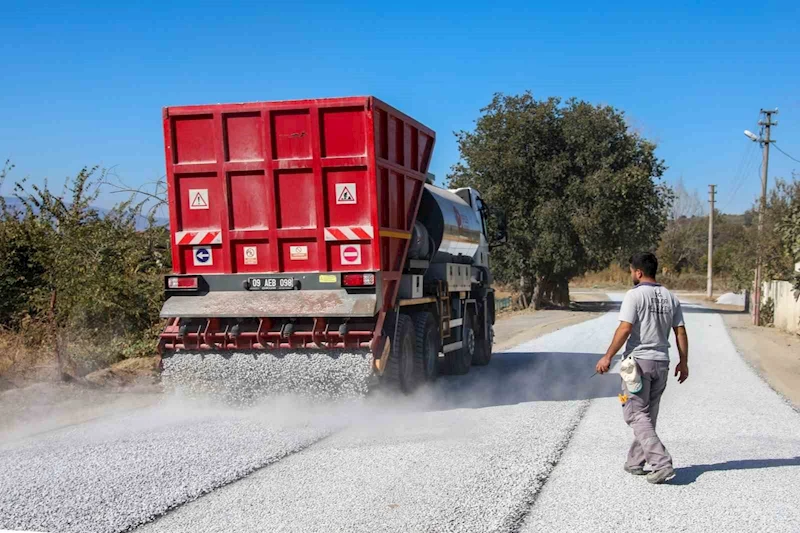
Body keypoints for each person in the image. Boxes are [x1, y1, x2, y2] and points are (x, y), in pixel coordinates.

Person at [595, 252, 689, 484]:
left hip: (635, 363)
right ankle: (635, 462)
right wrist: (684, 362)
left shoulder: (634, 295)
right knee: (647, 414)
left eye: (631, 271)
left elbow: (625, 329)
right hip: (662, 363)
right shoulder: (671, 297)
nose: (631, 275)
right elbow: (680, 332)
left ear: (638, 272)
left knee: (635, 413)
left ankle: (661, 463)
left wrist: (607, 356)